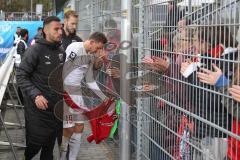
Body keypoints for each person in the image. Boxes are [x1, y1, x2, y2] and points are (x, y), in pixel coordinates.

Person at [16, 16, 64, 160]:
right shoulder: (34, 50)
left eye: (61, 28)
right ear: (45, 30)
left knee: (49, 147)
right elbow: (21, 75)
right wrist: (36, 95)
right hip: (37, 109)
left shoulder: (61, 50)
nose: (60, 31)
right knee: (34, 144)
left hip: (55, 109)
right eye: (56, 29)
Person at [60, 32, 108, 160]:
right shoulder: (75, 48)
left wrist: (103, 97)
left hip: (77, 94)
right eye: (98, 48)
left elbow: (90, 80)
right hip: (66, 93)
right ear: (91, 42)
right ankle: (62, 156)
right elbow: (64, 70)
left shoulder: (91, 56)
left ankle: (72, 158)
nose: (98, 51)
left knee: (79, 127)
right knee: (68, 129)